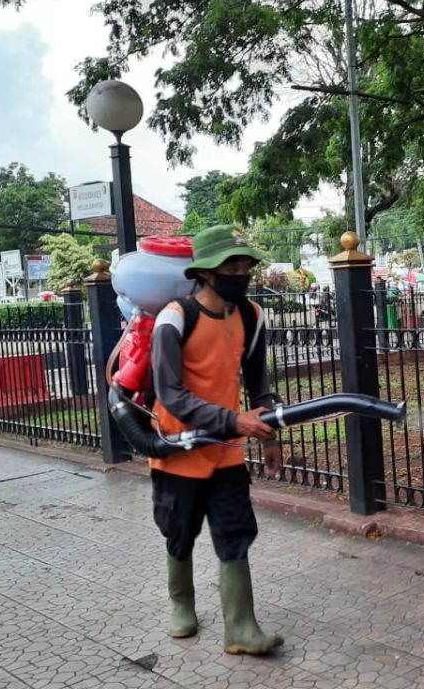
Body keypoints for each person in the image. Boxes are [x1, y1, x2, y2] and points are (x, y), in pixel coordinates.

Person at [149, 225, 284, 655]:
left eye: (245, 263)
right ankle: (181, 607)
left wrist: (268, 436)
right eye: (232, 264)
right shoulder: (174, 318)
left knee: (234, 532)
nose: (242, 271)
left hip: (227, 451)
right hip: (179, 448)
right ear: (205, 272)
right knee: (179, 532)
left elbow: (258, 384)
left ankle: (241, 629)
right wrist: (234, 420)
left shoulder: (251, 316)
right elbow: (170, 393)